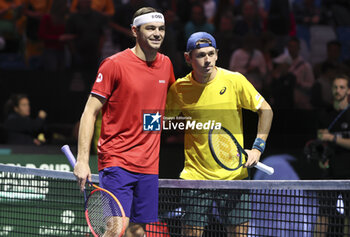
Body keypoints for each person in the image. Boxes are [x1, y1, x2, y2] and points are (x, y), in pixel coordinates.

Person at [73, 7, 175, 237]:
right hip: (117, 161)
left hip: (149, 165)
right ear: (134, 31)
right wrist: (82, 160)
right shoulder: (114, 64)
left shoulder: (166, 64)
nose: (157, 33)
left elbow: (162, 104)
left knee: (138, 231)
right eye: (150, 28)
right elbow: (89, 112)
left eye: (161, 29)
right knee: (116, 230)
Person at [166, 32, 273, 237]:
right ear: (188, 58)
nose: (207, 60)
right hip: (195, 178)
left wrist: (258, 148)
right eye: (200, 55)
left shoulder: (234, 81)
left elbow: (266, 110)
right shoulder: (179, 89)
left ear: (217, 55)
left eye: (211, 54)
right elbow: (163, 122)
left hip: (234, 176)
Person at [313, 75, 350, 236]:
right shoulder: (324, 114)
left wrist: (333, 137)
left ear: (348, 91)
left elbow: (329, 138)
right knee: (323, 214)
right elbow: (319, 142)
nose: (338, 90)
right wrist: (322, 159)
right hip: (329, 172)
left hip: (348, 173)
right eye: (335, 87)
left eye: (342, 87)